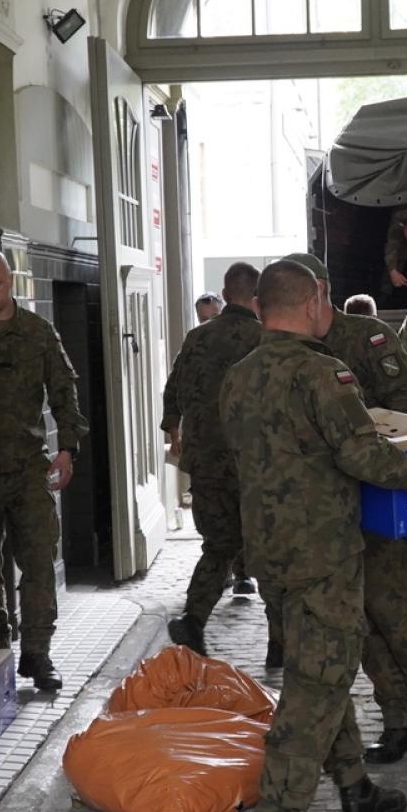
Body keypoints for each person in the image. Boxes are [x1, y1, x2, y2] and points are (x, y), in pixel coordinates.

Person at [222, 258, 407, 812]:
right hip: (323, 555)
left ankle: (357, 794)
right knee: (312, 690)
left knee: (320, 668)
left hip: (272, 555)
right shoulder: (324, 374)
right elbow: (361, 452)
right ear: (316, 299)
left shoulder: (238, 377)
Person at [283, 252, 407, 766]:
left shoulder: (366, 337)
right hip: (330, 509)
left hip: (382, 496)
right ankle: (399, 719)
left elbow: (404, 415)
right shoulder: (292, 349)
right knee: (359, 620)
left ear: (319, 290)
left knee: (390, 608)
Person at [0, 248, 88, 692]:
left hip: (28, 467)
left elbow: (64, 393)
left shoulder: (37, 333)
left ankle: (38, 655)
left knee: (39, 560)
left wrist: (68, 450)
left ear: (10, 282)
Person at [161, 262, 283, 665]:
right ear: (256, 297)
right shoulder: (265, 338)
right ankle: (278, 643)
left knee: (219, 545)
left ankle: (194, 618)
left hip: (207, 461)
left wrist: (173, 430)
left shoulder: (197, 337)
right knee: (268, 546)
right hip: (256, 462)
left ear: (225, 293)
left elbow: (173, 389)